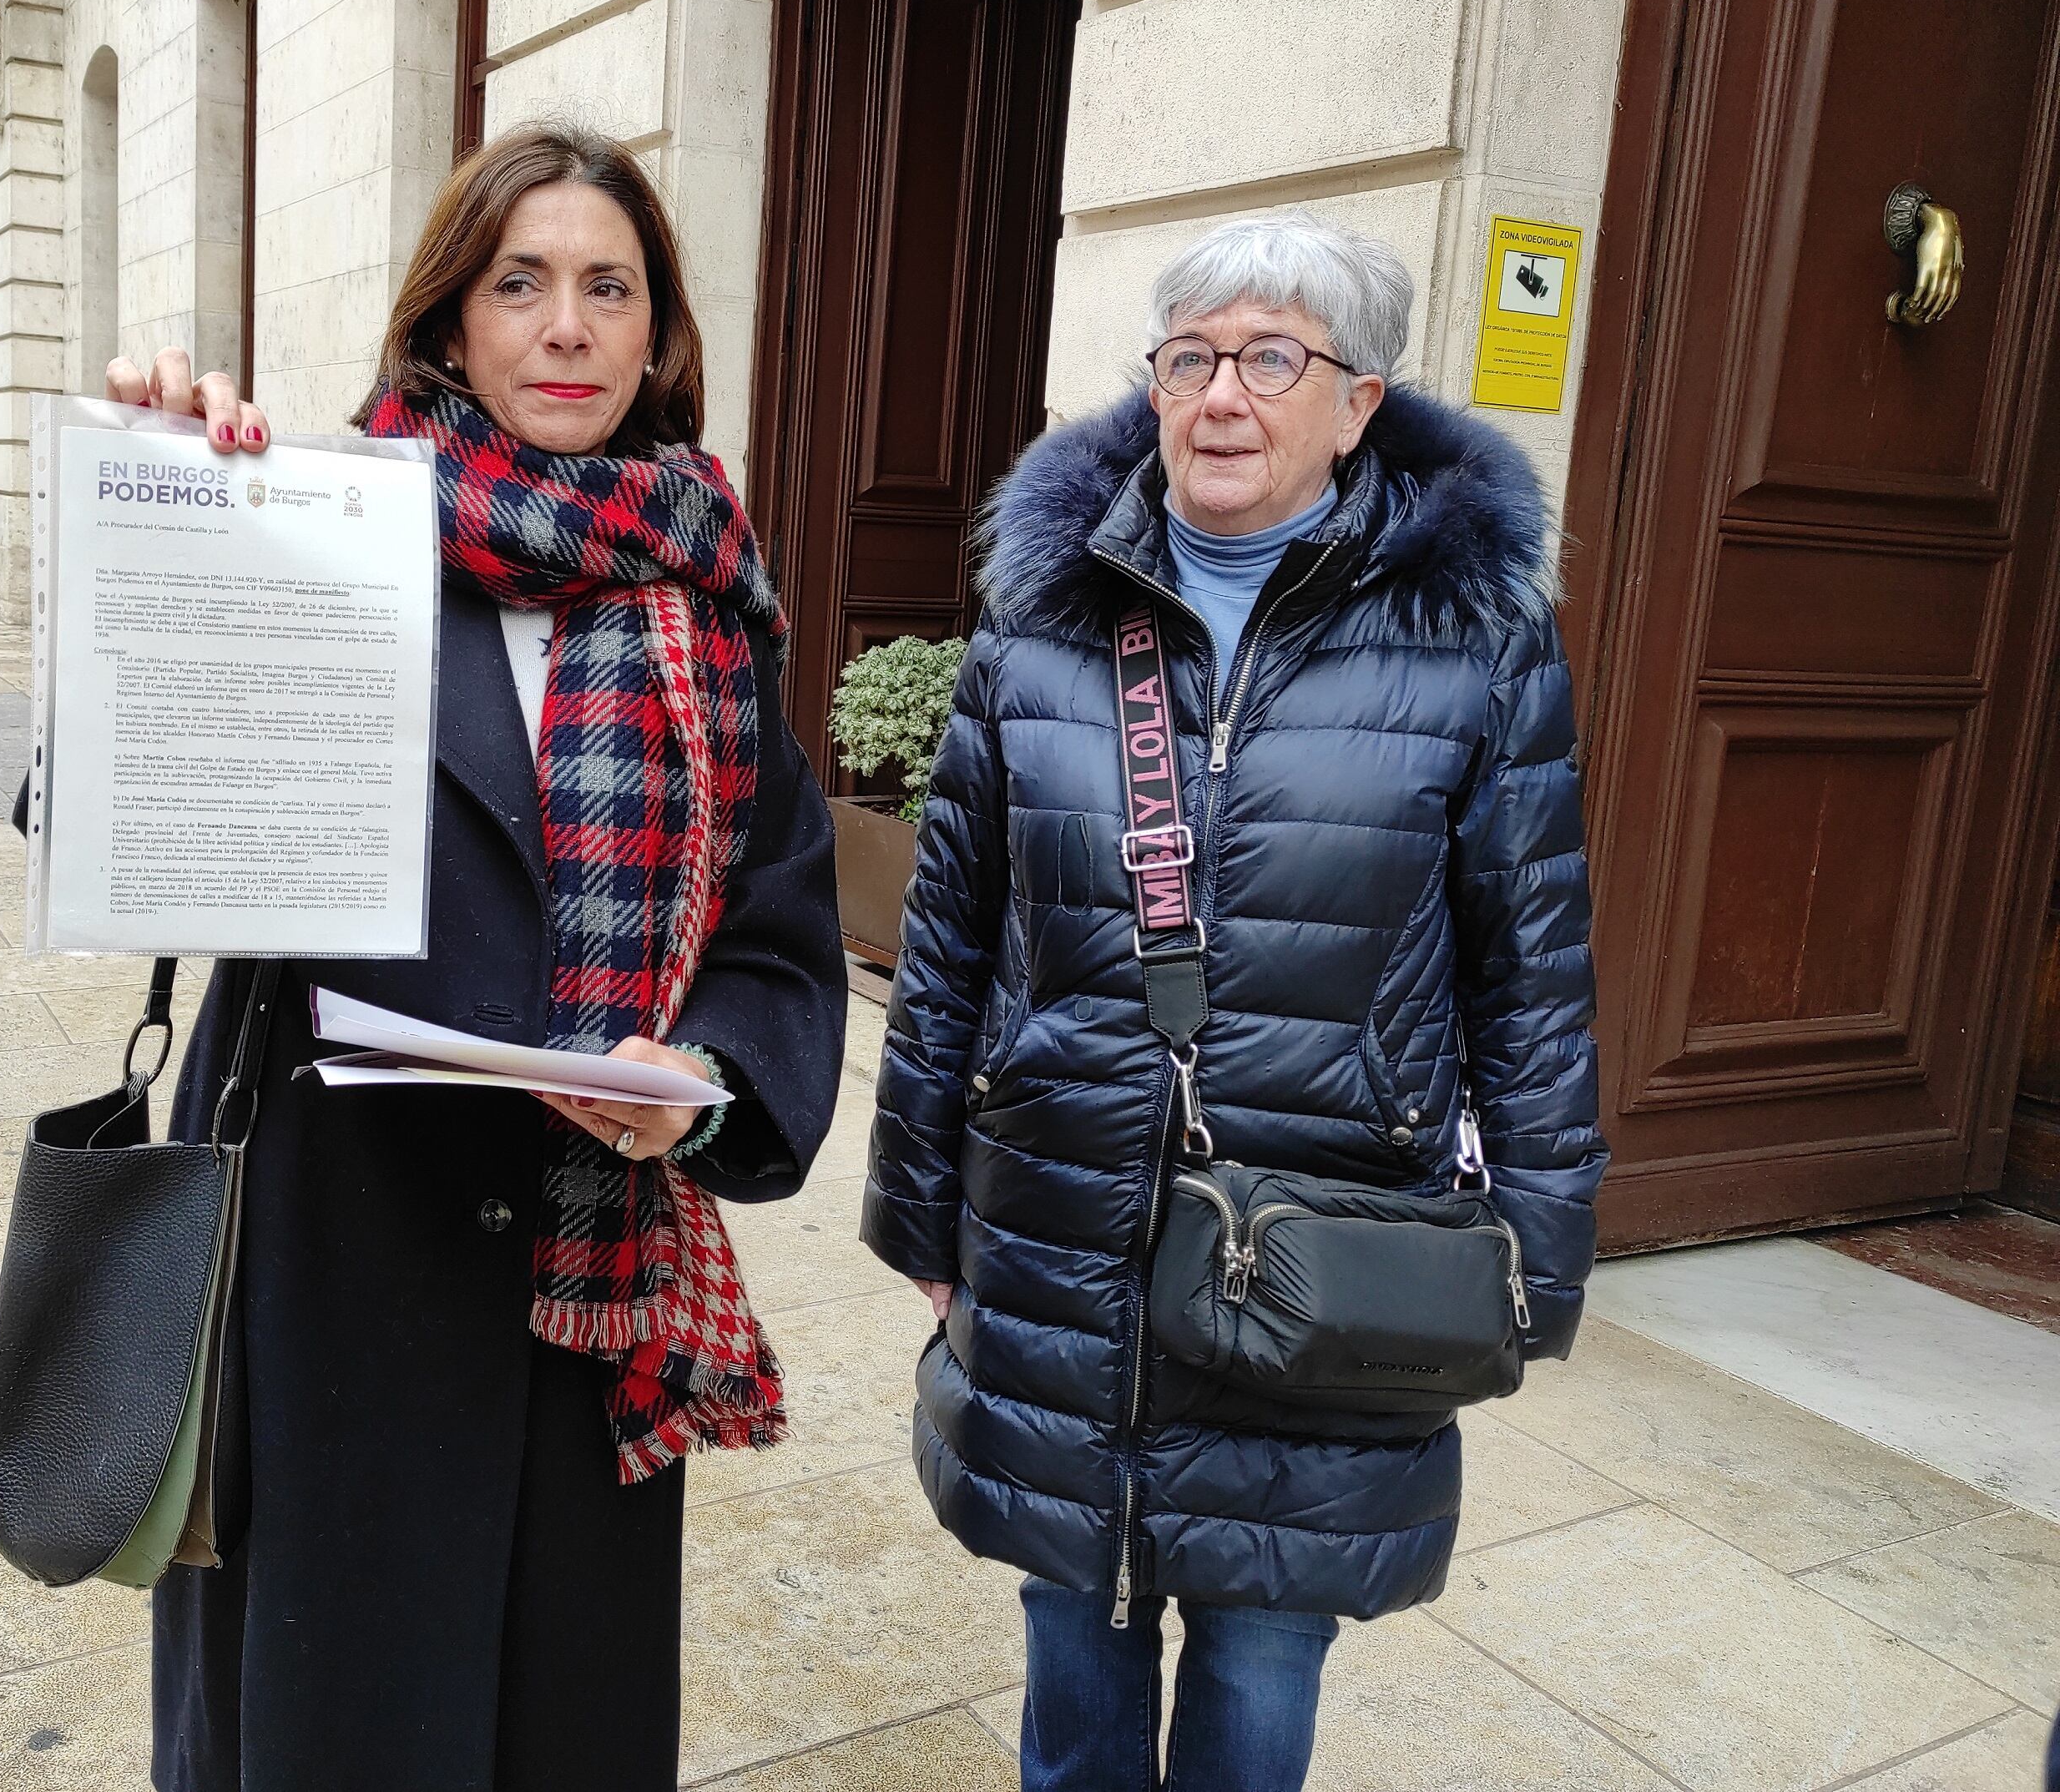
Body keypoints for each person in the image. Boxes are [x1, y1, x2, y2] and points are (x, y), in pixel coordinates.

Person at [85, 122, 847, 1792]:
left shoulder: (711, 597)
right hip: (340, 1252)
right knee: (341, 1715)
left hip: (588, 1285)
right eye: (520, 285)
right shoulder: (307, 528)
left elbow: (783, 927)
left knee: (556, 1725)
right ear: (450, 325)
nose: (566, 326)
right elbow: (116, 815)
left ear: (657, 336)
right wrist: (158, 530)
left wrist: (708, 1081)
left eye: (607, 287)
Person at [861, 212, 1605, 1792]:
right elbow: (945, 946)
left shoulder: (1473, 646)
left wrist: (1533, 1260)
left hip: (1325, 1252)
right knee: (1073, 1660)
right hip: (1062, 1230)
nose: (1220, 397)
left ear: (1357, 400)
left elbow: (1529, 972)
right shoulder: (1043, 626)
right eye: (1189, 356)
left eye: (1273, 358)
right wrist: (920, 1218)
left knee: (1261, 1678)